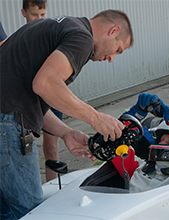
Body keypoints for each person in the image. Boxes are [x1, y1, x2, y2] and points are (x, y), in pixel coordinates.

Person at [0, 9, 133, 219]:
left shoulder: (59, 25)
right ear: (113, 30)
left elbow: (26, 102)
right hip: (7, 129)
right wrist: (96, 118)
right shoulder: (82, 38)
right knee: (32, 212)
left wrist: (66, 133)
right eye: (119, 49)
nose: (112, 59)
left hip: (6, 121)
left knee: (5, 209)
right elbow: (45, 84)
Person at [115, 93, 169, 192]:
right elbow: (113, 140)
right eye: (161, 140)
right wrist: (133, 115)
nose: (162, 143)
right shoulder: (139, 168)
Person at [21, 0, 59, 182]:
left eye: (42, 14)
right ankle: (33, 191)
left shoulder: (52, 37)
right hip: (27, 102)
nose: (39, 19)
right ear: (24, 13)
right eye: (34, 14)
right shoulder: (18, 39)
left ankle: (53, 189)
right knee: (26, 150)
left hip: (51, 98)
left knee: (52, 147)